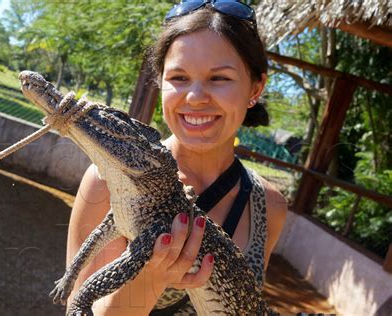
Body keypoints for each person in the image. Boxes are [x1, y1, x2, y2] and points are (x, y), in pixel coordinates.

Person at [65, 1, 287, 314]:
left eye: (219, 78)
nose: (195, 98)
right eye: (179, 78)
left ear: (256, 87)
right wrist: (150, 279)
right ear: (160, 80)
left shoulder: (269, 205)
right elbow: (78, 309)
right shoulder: (107, 183)